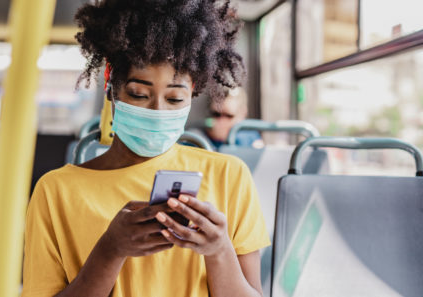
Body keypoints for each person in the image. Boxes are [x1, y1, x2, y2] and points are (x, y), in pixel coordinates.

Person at [22, 1, 270, 296]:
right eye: (139, 94)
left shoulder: (229, 176)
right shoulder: (56, 191)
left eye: (175, 99)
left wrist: (219, 251)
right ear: (110, 83)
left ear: (193, 93)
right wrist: (110, 251)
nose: (158, 110)